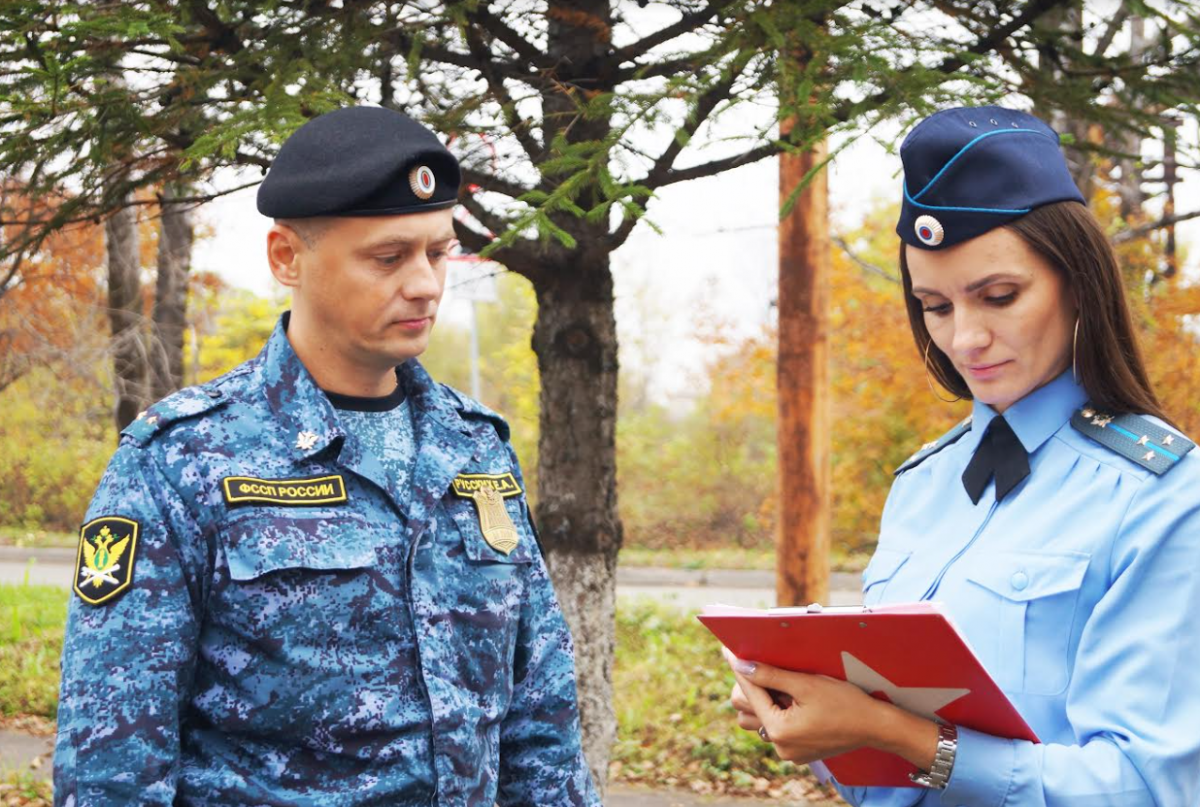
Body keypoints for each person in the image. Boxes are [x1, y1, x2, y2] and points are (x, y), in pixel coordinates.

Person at [54, 106, 599, 806]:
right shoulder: (180, 459)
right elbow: (112, 765)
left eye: (438, 253)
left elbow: (540, 721)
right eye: (388, 257)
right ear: (288, 257)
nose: (426, 283)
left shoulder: (475, 448)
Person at [725, 106, 1200, 805]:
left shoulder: (1161, 495)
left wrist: (905, 738)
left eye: (999, 296)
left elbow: (1146, 787)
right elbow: (882, 786)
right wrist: (815, 721)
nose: (965, 339)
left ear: (1079, 284)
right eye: (936, 306)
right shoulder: (923, 483)